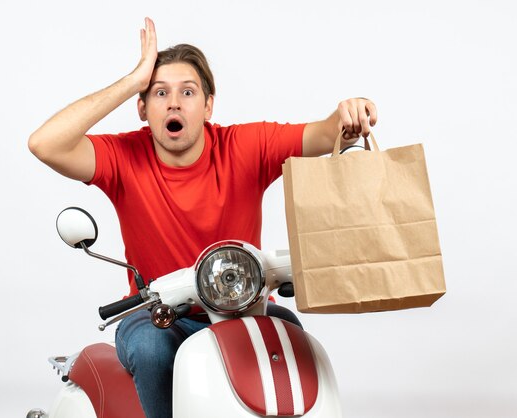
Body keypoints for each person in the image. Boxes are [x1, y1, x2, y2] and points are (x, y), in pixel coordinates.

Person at [29, 17, 377, 418]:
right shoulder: (123, 157)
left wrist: (351, 116)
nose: (174, 102)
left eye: (187, 92)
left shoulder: (245, 146)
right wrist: (132, 80)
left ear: (208, 105)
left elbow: (323, 134)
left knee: (289, 332)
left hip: (242, 310)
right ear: (142, 109)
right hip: (158, 316)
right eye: (159, 93)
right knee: (151, 350)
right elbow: (44, 143)